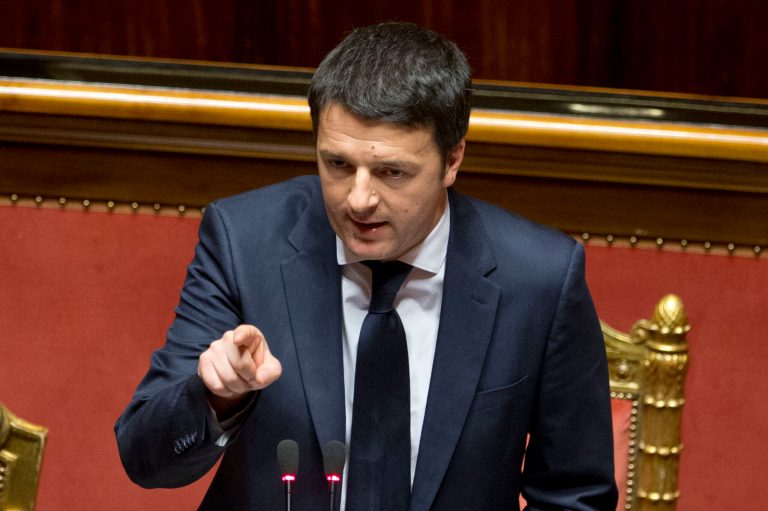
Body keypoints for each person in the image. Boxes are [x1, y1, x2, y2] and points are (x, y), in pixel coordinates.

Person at [115, 22, 617, 511]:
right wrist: (215, 398)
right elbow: (144, 458)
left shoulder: (540, 277)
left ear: (453, 159)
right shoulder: (245, 242)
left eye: (391, 172)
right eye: (337, 165)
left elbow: (576, 496)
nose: (358, 199)